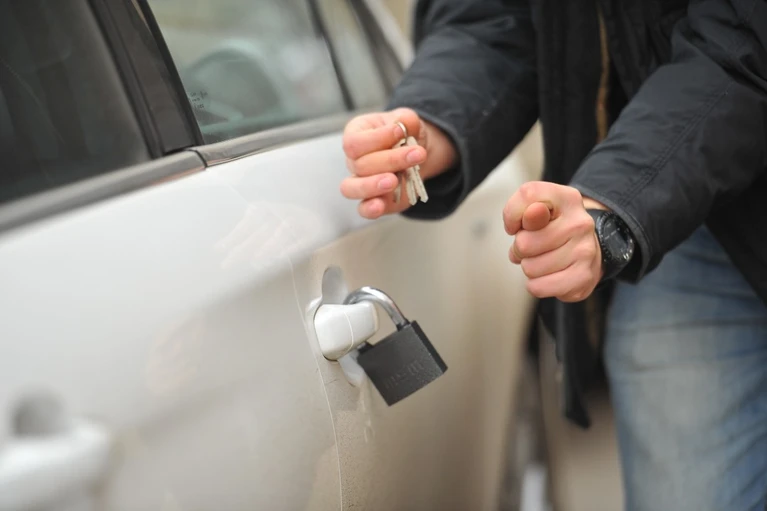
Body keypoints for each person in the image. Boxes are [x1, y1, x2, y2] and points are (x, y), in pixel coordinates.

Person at [340, 0, 767, 509]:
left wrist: (620, 193)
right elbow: (492, 16)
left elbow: (746, 39)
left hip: (669, 172)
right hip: (681, 214)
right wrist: (436, 118)